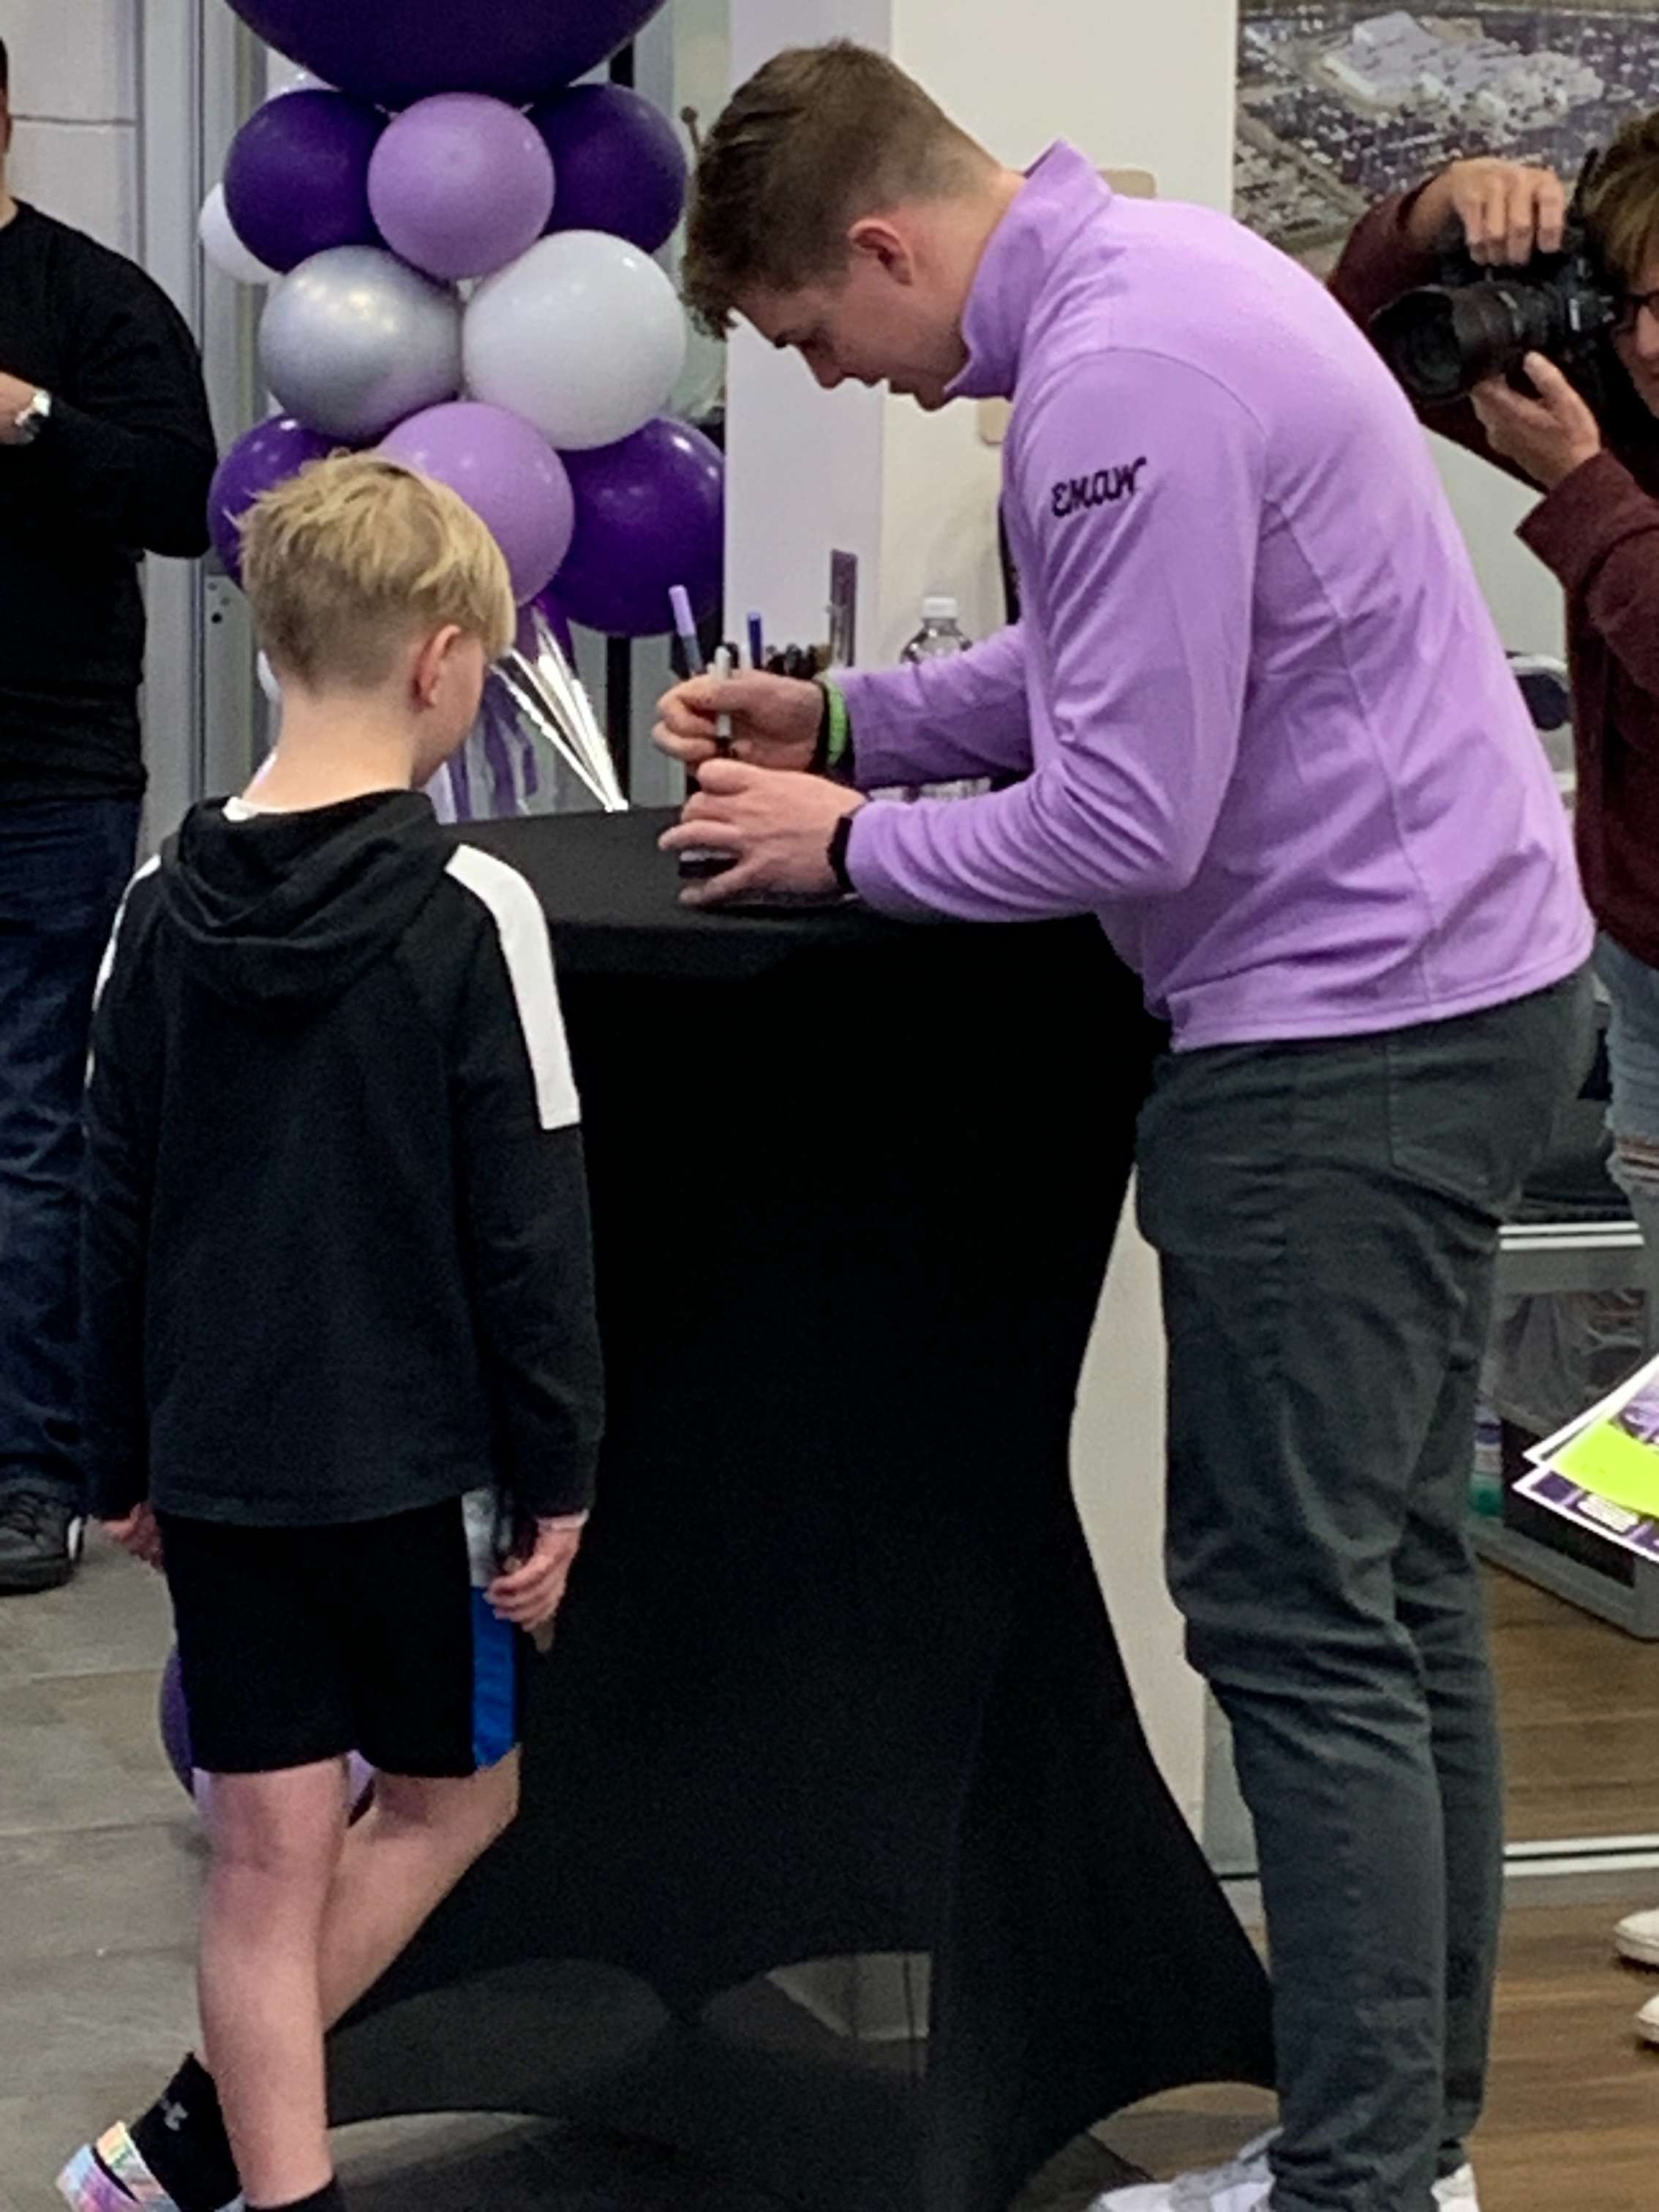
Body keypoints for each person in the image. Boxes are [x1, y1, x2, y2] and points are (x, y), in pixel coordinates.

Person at [653, 42, 1594, 2212]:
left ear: (884, 246)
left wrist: (843, 844)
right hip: (1442, 995)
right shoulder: (1170, 281)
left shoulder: (1117, 372)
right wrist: (859, 719)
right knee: (1382, 1595)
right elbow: (1113, 670)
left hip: (1343, 1044)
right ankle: (1395, 2152)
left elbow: (1116, 809)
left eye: (819, 337)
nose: (853, 384)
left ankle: (1359, 2180)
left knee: (1292, 1618)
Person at [57, 455, 605, 2212]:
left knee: (260, 1869)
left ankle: (228, 2172)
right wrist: (560, 1479)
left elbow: (105, 1206)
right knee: (458, 1805)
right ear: (447, 664)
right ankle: (197, 2147)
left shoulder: (153, 906)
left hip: (219, 1467)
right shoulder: (479, 913)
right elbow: (530, 1229)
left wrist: (109, 1460)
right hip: (413, 1473)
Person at [1333, 116, 1659, 2060]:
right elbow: (1357, 351)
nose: (1619, 344)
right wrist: (1432, 215)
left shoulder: (1606, 469)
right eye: (1612, 305)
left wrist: (1592, 494)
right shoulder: (1607, 407)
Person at [0, 33, 217, 1595]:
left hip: (45, 781)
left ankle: (32, 1466)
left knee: (28, 1135)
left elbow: (180, 495)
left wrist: (29, 418)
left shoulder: (90, 300)